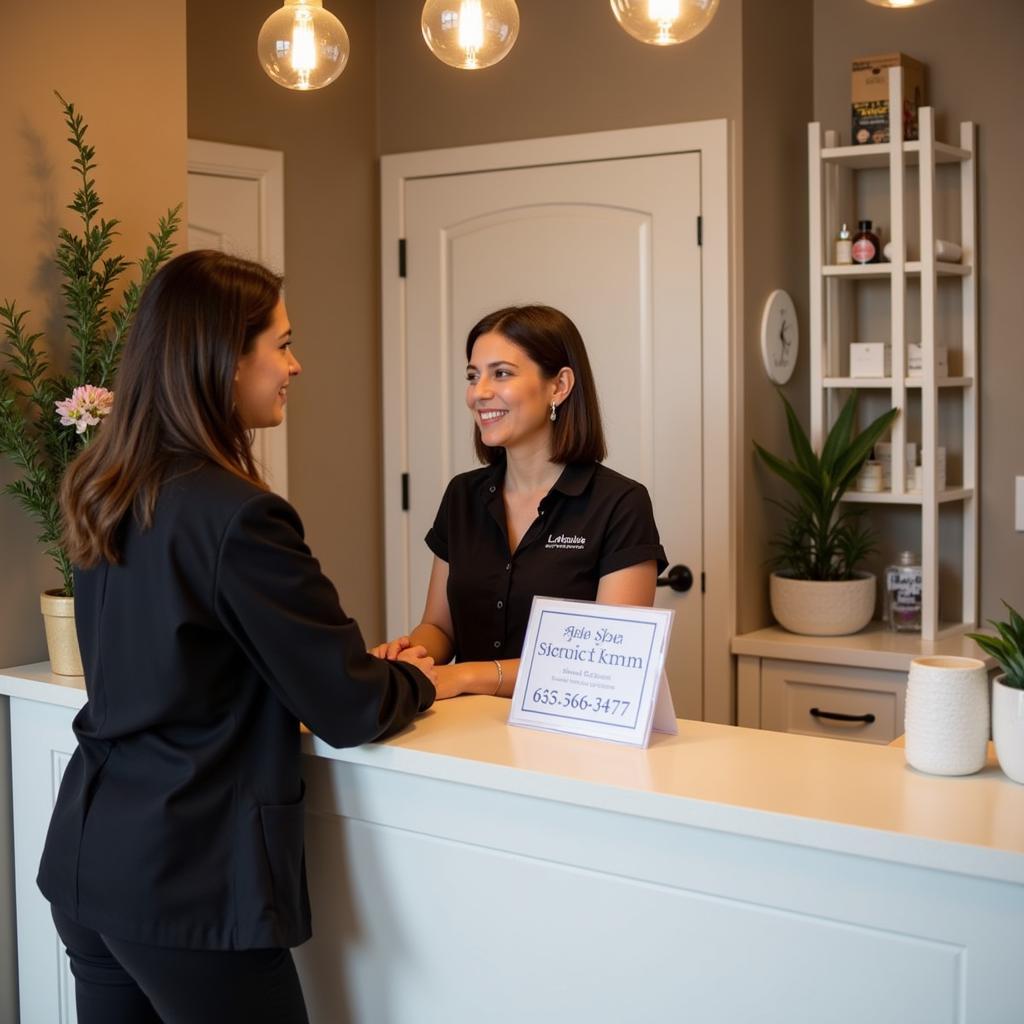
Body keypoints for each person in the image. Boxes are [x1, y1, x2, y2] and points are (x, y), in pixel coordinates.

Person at [37, 250, 436, 1024]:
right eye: (280, 345)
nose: (296, 364)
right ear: (224, 360)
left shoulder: (106, 484)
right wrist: (419, 677)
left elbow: (191, 658)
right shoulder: (240, 515)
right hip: (187, 878)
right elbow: (350, 707)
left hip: (90, 859)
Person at [373, 304, 666, 699]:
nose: (479, 393)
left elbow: (605, 663)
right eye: (473, 376)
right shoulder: (462, 496)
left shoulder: (620, 503)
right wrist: (413, 654)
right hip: (466, 732)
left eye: (502, 374)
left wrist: (466, 677)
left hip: (569, 739)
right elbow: (440, 628)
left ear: (559, 386)